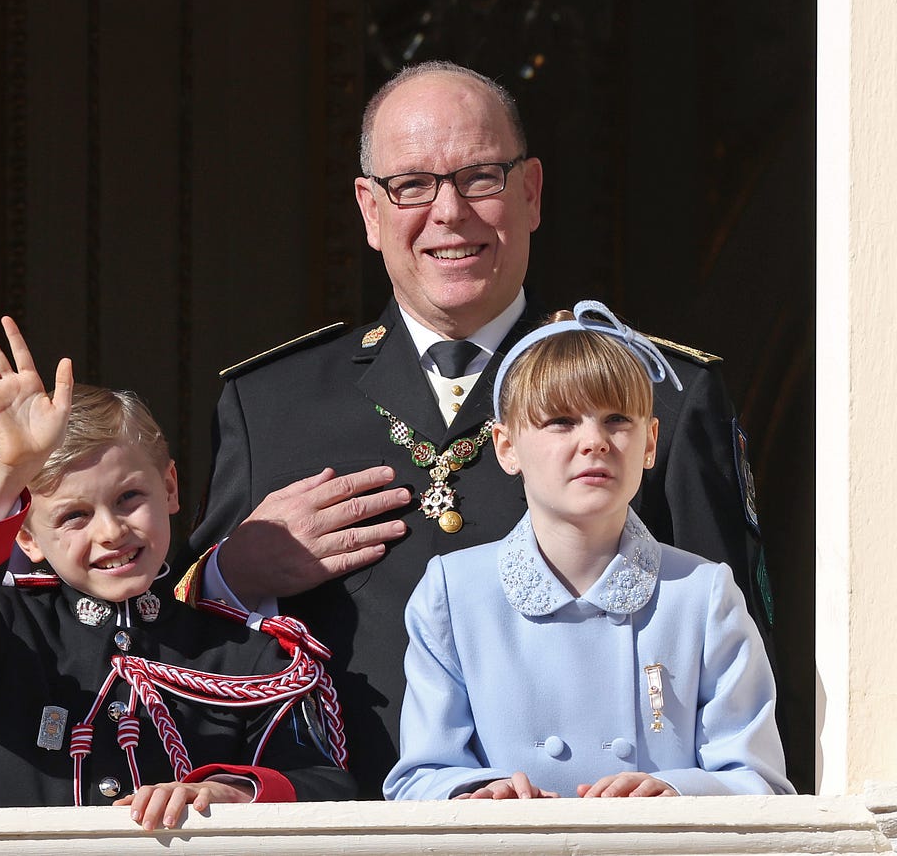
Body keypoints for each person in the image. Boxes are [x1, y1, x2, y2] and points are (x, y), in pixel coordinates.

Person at [179, 61, 768, 798]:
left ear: (530, 193)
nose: (449, 212)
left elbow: (742, 674)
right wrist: (234, 571)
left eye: (481, 176)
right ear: (370, 209)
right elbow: (165, 649)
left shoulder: (657, 394)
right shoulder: (272, 406)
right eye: (413, 185)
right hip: (334, 833)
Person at [0, 317, 355, 830]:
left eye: (129, 497)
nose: (111, 531)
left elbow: (327, 784)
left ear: (171, 488)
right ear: (26, 537)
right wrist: (6, 475)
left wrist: (227, 791)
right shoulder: (8, 632)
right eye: (74, 516)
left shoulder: (244, 652)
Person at [383, 302, 791, 801]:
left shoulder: (702, 595)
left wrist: (673, 792)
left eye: (617, 419)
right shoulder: (454, 592)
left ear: (650, 442)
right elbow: (420, 775)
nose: (594, 442)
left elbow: (759, 780)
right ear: (506, 447)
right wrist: (475, 796)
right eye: (560, 421)